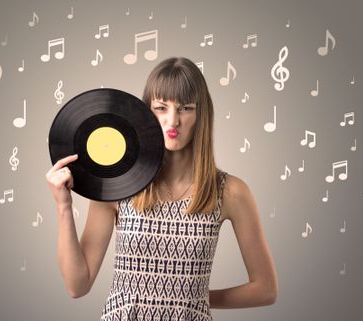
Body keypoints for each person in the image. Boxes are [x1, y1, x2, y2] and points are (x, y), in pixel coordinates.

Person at [46, 57, 278, 320]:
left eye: (185, 108)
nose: (173, 120)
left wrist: (193, 298)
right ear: (145, 112)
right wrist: (63, 207)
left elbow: (265, 290)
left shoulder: (230, 191)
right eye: (161, 107)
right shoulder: (116, 183)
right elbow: (78, 285)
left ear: (202, 114)